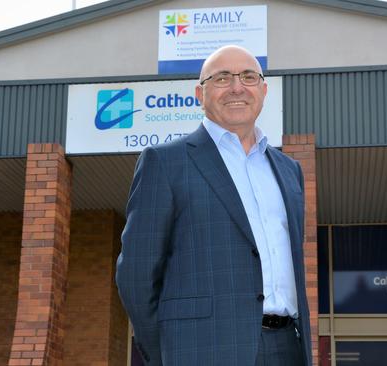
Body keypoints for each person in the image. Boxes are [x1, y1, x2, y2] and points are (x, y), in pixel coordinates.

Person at [116, 45, 312, 366]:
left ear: (263, 90)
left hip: (287, 348)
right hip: (200, 350)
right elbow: (136, 274)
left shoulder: (290, 171)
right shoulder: (165, 163)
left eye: (249, 77)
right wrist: (165, 353)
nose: (237, 87)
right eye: (222, 78)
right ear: (200, 93)